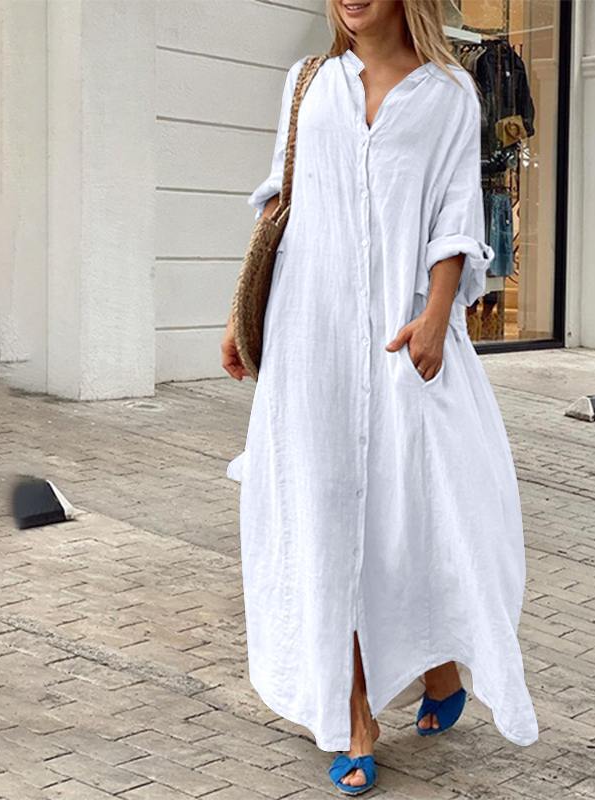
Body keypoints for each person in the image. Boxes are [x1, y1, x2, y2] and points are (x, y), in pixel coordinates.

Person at [220, 0, 538, 794]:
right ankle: (354, 713)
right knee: (327, 517)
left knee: (415, 511)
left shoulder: (450, 94)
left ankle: (439, 666)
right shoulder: (308, 82)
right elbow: (279, 204)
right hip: (310, 338)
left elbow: (456, 219)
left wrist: (436, 318)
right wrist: (239, 319)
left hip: (405, 338)